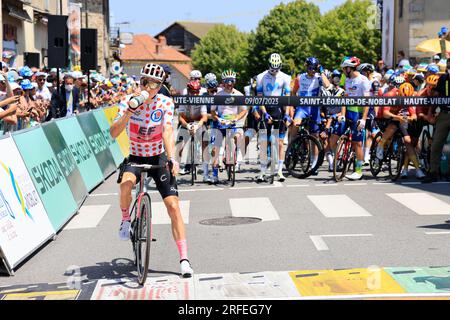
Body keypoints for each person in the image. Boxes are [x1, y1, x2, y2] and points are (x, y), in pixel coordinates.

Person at [110, 63, 193, 278]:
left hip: (158, 155)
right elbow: (113, 133)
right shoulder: (129, 101)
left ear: (161, 86)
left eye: (155, 84)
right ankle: (126, 219)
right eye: (146, 82)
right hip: (136, 155)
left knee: (173, 206)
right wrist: (129, 112)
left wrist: (172, 158)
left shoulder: (165, 102)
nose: (150, 87)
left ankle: (184, 259)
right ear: (140, 82)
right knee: (125, 184)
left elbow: (166, 130)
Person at [288, 56, 331, 176]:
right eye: (310, 68)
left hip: (314, 109)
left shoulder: (319, 77)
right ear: (307, 67)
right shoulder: (300, 77)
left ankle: (314, 162)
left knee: (315, 136)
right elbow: (293, 92)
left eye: (314, 68)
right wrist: (293, 106)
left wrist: (321, 71)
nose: (312, 70)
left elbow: (327, 85)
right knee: (295, 125)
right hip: (302, 108)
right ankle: (291, 149)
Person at [254, 53, 293, 182]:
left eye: (277, 69)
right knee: (264, 142)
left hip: (279, 111)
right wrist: (264, 113)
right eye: (272, 69)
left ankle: (280, 171)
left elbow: (287, 98)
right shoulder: (261, 77)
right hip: (266, 109)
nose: (274, 71)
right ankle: (263, 171)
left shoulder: (285, 77)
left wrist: (287, 113)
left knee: (280, 143)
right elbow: (259, 98)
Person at [210, 70, 247, 184]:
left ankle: (236, 159)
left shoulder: (239, 95)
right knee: (216, 148)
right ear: (223, 82)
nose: (229, 83)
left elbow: (244, 110)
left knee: (238, 138)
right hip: (220, 123)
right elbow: (212, 111)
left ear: (234, 82)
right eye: (227, 81)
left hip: (233, 123)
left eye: (232, 81)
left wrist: (236, 118)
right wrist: (218, 118)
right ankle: (215, 174)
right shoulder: (218, 95)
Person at [340, 56, 371, 180]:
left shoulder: (363, 80)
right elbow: (345, 99)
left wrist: (363, 119)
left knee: (357, 143)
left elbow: (367, 102)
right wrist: (342, 114)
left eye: (344, 69)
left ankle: (358, 170)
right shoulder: (347, 80)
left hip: (358, 114)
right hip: (348, 112)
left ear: (349, 68)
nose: (343, 71)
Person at [423, 58, 450, 183]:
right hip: (444, 115)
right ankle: (433, 172)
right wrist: (430, 113)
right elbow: (436, 97)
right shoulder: (443, 78)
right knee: (436, 145)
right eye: (448, 66)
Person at [177, 80, 209, 181]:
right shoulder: (183, 99)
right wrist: (187, 126)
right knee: (178, 147)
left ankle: (206, 173)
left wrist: (197, 125)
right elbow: (180, 118)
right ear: (188, 91)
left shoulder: (201, 99)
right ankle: (174, 170)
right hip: (186, 123)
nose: (195, 94)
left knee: (205, 144)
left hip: (198, 123)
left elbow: (204, 117)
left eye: (197, 92)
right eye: (192, 92)